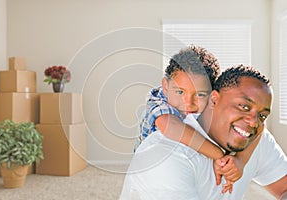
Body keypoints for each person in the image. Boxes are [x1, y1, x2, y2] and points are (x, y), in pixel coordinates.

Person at [120, 65, 287, 200]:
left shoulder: (252, 135)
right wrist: (220, 156)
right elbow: (169, 125)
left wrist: (241, 162)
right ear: (214, 99)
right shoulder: (165, 156)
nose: (253, 121)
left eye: (262, 115)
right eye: (244, 106)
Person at [136, 46, 257, 191]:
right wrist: (220, 156)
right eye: (180, 92)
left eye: (200, 94)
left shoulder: (212, 101)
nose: (188, 103)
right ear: (166, 87)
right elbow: (172, 128)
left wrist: (239, 162)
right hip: (152, 169)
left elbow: (255, 126)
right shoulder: (158, 101)